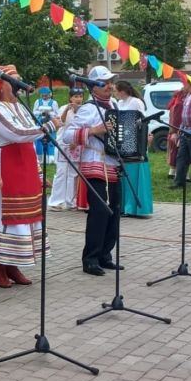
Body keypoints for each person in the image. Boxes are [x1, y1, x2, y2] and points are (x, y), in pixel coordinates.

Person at [0, 65, 58, 287]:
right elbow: (17, 134)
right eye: (12, 81)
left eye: (19, 80)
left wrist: (40, 175)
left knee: (26, 216)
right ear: (1, 85)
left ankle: (14, 265)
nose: (18, 85)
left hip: (24, 164)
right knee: (3, 215)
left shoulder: (22, 108)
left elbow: (30, 140)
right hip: (7, 164)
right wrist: (49, 126)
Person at [64, 65, 119, 276]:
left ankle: (105, 255)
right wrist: (94, 130)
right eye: (105, 82)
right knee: (99, 214)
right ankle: (90, 259)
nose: (110, 86)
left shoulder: (113, 105)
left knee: (113, 214)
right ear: (94, 86)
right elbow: (67, 135)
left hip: (113, 165)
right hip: (95, 164)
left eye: (111, 82)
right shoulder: (88, 108)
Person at [114, 80, 153, 216]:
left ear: (122, 91)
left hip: (136, 140)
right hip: (123, 140)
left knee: (135, 173)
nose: (114, 92)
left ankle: (137, 208)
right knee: (124, 174)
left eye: (116, 90)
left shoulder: (136, 102)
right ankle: (125, 206)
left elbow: (143, 120)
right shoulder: (118, 103)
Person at [48, 88, 84, 211]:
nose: (78, 99)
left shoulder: (84, 110)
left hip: (77, 144)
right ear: (71, 98)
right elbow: (60, 123)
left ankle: (71, 202)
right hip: (63, 144)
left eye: (80, 96)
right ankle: (56, 201)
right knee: (61, 172)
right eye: (76, 97)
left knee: (73, 174)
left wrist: (77, 140)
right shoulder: (64, 108)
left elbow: (85, 126)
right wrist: (67, 110)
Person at [32, 86, 60, 162]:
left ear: (50, 94)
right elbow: (34, 112)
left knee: (50, 139)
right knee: (39, 139)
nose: (44, 97)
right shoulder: (38, 102)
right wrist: (41, 112)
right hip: (40, 122)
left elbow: (57, 114)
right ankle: (40, 157)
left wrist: (50, 113)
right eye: (43, 95)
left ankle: (51, 158)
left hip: (50, 122)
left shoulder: (54, 103)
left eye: (46, 95)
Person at [166, 89, 186, 179]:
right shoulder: (179, 105)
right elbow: (177, 120)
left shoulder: (174, 104)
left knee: (173, 151)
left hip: (172, 131)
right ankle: (182, 174)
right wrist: (175, 132)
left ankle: (172, 171)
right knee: (179, 152)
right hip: (177, 131)